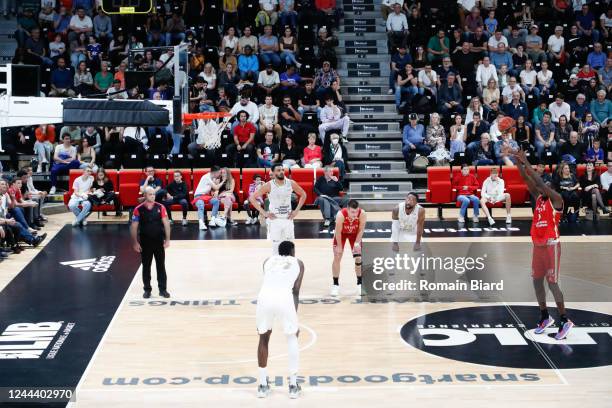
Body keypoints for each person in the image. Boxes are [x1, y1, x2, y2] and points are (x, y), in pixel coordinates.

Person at [513, 150, 573, 340]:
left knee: (552, 282)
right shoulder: (539, 198)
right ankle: (545, 316)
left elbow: (538, 182)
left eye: (546, 185)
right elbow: (526, 178)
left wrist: (527, 161)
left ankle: (565, 319)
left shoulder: (556, 199)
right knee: (537, 281)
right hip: (538, 246)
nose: (541, 187)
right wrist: (517, 160)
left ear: (551, 188)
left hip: (551, 245)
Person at [256, 240, 305, 399]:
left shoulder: (267, 261)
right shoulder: (298, 263)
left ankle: (262, 385)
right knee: (292, 337)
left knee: (263, 338)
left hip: (264, 298)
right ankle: (292, 386)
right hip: (284, 298)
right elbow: (295, 291)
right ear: (292, 252)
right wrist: (294, 317)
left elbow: (271, 280)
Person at [249, 164, 307, 255]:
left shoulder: (290, 183)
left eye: (282, 170)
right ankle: (276, 267)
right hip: (275, 220)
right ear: (273, 172)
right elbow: (252, 198)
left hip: (288, 219)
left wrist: (296, 211)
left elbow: (303, 194)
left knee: (290, 246)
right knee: (276, 248)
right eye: (278, 170)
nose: (281, 172)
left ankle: (290, 266)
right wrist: (264, 213)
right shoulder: (269, 185)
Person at [131, 186, 171, 299]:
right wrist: (135, 242)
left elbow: (166, 224)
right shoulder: (138, 209)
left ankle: (163, 290)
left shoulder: (161, 207)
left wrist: (167, 239)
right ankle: (147, 289)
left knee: (161, 266)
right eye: (150, 194)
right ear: (145, 195)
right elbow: (134, 227)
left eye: (154, 194)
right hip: (145, 242)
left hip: (158, 241)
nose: (153, 196)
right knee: (146, 266)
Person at [331, 199, 366, 297]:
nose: (355, 214)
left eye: (356, 211)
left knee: (358, 258)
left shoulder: (362, 214)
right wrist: (339, 246)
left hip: (355, 234)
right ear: (347, 209)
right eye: (352, 212)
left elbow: (361, 229)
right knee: (337, 256)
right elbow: (337, 232)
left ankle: (359, 284)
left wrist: (357, 243)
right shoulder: (340, 215)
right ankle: (335, 284)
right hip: (341, 234)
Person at [192, 166, 222, 230]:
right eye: (219, 173)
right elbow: (216, 187)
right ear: (215, 172)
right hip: (198, 196)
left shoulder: (213, 178)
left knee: (216, 201)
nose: (220, 174)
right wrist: (224, 181)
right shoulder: (206, 177)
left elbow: (213, 189)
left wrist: (215, 192)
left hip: (206, 196)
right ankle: (201, 223)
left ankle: (212, 220)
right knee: (201, 204)